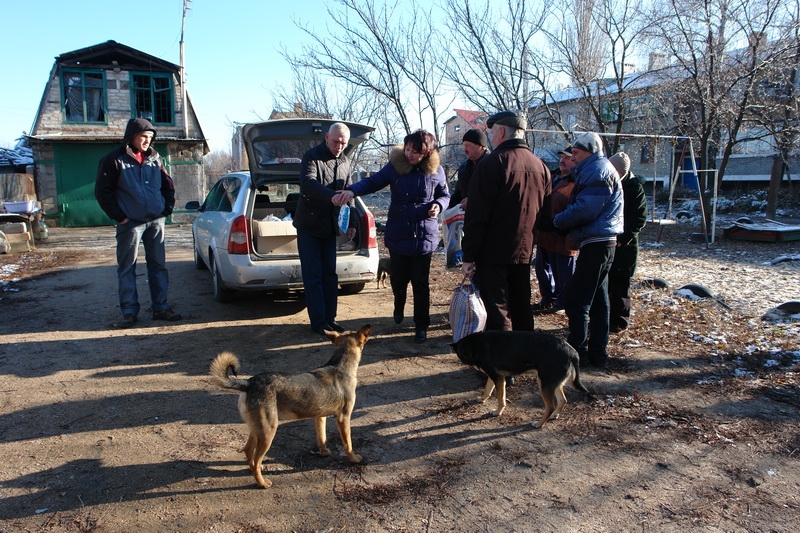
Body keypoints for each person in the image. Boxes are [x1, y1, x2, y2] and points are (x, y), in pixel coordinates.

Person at [333, 129, 449, 343]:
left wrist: (438, 206)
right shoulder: (396, 166)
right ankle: (399, 304)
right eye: (407, 149)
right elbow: (373, 181)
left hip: (424, 236)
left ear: (427, 152)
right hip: (399, 233)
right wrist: (352, 191)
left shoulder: (437, 171)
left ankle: (421, 325)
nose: (409, 154)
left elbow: (445, 195)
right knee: (399, 278)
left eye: (415, 151)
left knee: (420, 283)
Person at [460, 110, 551, 332]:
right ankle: (526, 356)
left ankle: (503, 361)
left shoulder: (492, 164)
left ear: (501, 131)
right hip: (524, 251)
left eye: (491, 132)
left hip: (493, 253)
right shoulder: (542, 167)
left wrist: (469, 255)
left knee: (497, 309)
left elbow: (477, 215)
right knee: (521, 305)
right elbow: (546, 218)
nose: (491, 137)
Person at [95, 118, 181, 329]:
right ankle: (129, 312)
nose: (147, 141)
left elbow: (167, 187)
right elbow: (102, 192)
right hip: (130, 223)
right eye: (143, 136)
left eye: (150, 137)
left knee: (158, 265)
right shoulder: (114, 160)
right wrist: (120, 217)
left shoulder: (155, 159)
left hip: (155, 221)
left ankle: (160, 307)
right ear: (131, 136)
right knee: (127, 267)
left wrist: (166, 210)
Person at [550, 132, 623, 368]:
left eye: (577, 153)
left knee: (577, 300)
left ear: (590, 151)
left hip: (596, 243)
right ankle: (598, 354)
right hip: (602, 242)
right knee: (600, 302)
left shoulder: (596, 170)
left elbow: (585, 209)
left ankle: (577, 353)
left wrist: (558, 220)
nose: (573, 158)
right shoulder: (597, 168)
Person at [294, 122, 356, 336]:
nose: (339, 146)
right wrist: (332, 196)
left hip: (330, 227)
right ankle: (319, 322)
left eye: (343, 143)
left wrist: (352, 223)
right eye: (336, 141)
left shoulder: (346, 162)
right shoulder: (312, 157)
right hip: (309, 227)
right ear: (327, 138)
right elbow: (308, 183)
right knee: (314, 276)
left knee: (330, 275)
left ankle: (330, 319)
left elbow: (350, 194)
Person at [533, 146, 579, 315]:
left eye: (567, 157)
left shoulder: (576, 182)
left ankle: (562, 302)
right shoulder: (553, 177)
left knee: (563, 273)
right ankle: (547, 298)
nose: (562, 160)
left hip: (562, 236)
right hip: (544, 233)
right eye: (561, 157)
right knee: (541, 268)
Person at [607, 152, 647, 333]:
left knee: (621, 286)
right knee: (608, 285)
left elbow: (639, 218)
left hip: (625, 247)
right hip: (609, 242)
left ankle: (620, 321)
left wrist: (623, 239)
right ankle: (606, 319)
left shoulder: (634, 188)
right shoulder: (609, 183)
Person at [448, 128, 489, 210]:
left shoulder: (492, 165)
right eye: (464, 146)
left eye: (468, 146)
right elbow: (458, 194)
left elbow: (492, 193)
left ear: (480, 146)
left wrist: (473, 201)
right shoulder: (464, 168)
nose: (465, 150)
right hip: (466, 218)